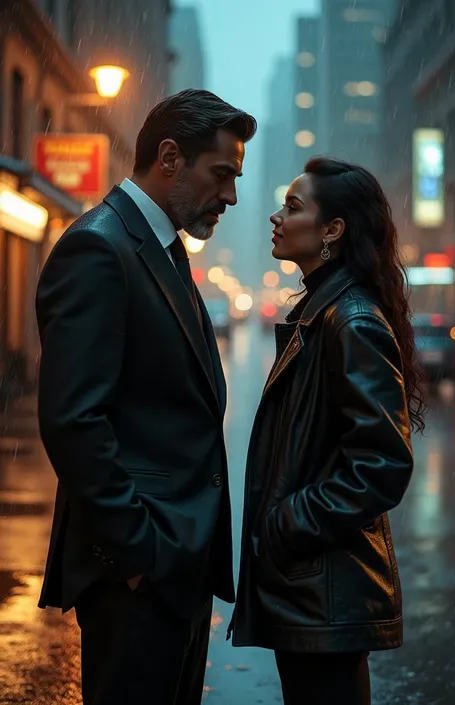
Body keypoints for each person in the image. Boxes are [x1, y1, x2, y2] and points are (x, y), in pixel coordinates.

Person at [36, 89, 256, 705]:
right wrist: (137, 553)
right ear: (168, 157)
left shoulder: (162, 246)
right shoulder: (99, 248)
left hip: (174, 566)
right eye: (221, 175)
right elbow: (73, 419)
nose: (231, 197)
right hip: (139, 571)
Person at [229, 157, 425, 704]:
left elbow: (382, 464)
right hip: (315, 589)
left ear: (332, 230)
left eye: (292, 207)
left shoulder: (351, 319)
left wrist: (288, 524)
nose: (275, 217)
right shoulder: (323, 310)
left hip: (327, 591)